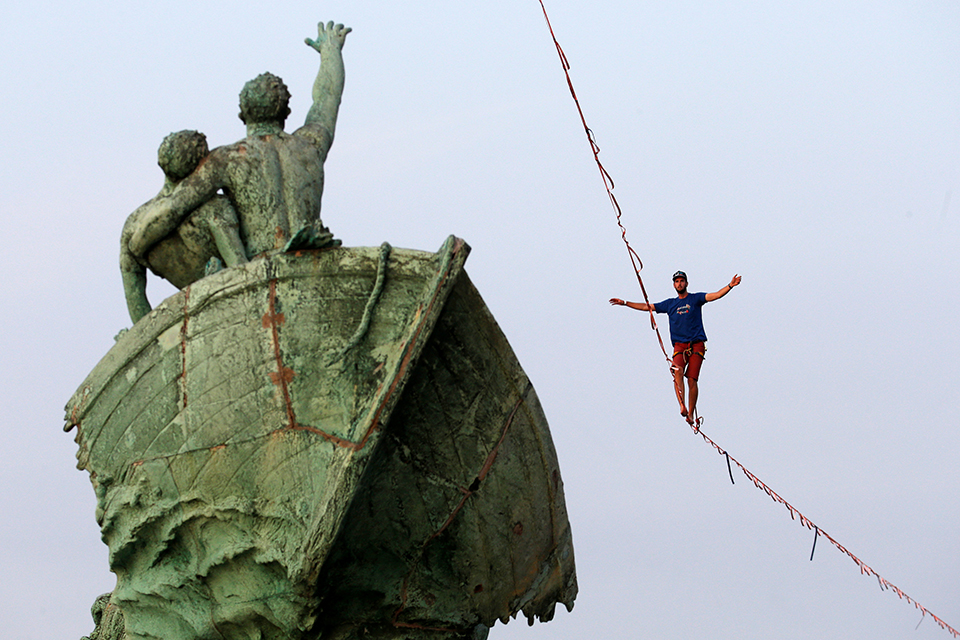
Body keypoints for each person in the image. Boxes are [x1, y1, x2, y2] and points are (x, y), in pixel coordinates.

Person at [127, 21, 351, 272]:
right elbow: (328, 97)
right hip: (311, 259)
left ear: (242, 114)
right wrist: (331, 51)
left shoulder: (227, 158)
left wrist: (135, 245)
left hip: (257, 268)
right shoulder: (311, 144)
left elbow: (173, 208)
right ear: (286, 112)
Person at [120, 130, 248, 324]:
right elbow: (239, 268)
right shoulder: (215, 207)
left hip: (191, 319)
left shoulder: (132, 224)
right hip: (231, 308)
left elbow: (135, 300)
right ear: (202, 163)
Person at [610, 270, 741, 424]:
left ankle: (691, 414)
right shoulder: (670, 304)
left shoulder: (695, 298)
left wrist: (730, 286)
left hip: (696, 345)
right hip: (680, 346)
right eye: (677, 282)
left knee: (692, 380)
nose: (679, 284)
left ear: (686, 283)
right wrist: (625, 303)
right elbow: (647, 307)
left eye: (681, 281)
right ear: (674, 285)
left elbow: (715, 295)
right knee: (677, 371)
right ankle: (682, 405)